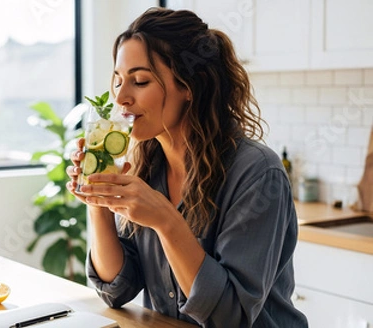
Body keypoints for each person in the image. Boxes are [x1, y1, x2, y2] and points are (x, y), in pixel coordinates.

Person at [66, 7, 308, 328]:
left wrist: (167, 221)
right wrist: (100, 203)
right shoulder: (145, 165)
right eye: (118, 81)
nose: (121, 97)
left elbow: (229, 318)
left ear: (188, 86)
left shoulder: (257, 173)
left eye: (140, 81)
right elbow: (117, 289)